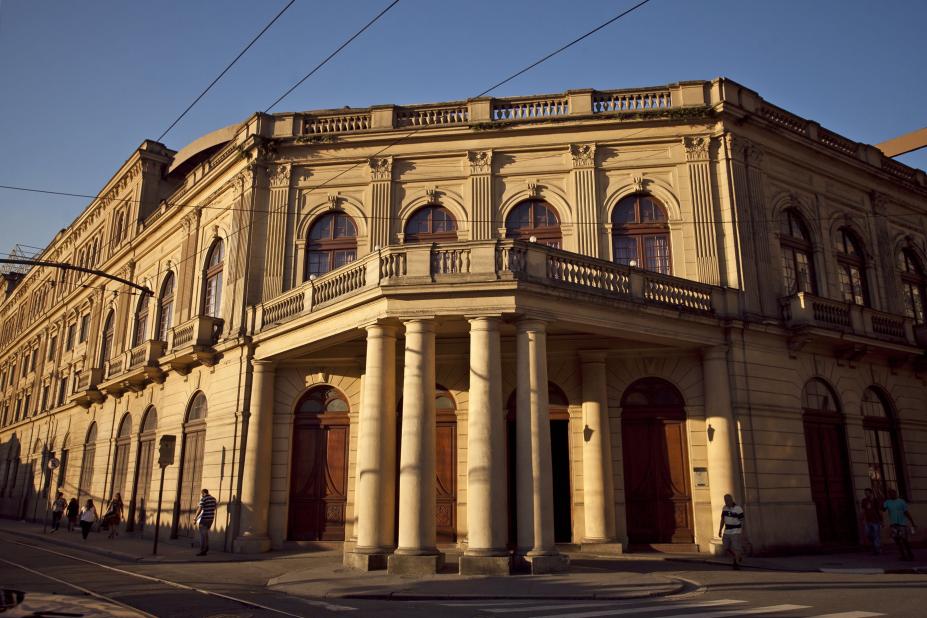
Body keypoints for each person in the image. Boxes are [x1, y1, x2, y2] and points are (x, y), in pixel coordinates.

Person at [884, 488, 916, 561]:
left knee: (904, 540)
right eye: (890, 494)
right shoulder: (887, 502)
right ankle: (903, 555)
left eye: (893, 493)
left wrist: (912, 522)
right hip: (894, 524)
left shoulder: (901, 501)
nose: (892, 495)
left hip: (902, 524)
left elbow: (906, 512)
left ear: (896, 494)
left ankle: (910, 554)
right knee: (897, 541)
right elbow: (883, 509)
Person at [718, 493, 745, 569]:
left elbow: (742, 520)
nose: (726, 501)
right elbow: (722, 520)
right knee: (726, 547)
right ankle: (737, 556)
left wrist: (741, 531)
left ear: (731, 500)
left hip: (736, 531)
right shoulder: (724, 508)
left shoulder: (738, 508)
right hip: (727, 531)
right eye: (725, 500)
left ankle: (736, 563)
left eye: (727, 500)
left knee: (736, 548)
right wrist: (720, 530)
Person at [193, 488, 218, 556]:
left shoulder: (203, 499)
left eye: (202, 494)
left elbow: (200, 509)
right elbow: (215, 507)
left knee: (202, 535)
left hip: (204, 519)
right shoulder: (214, 499)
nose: (201, 495)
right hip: (211, 518)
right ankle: (206, 546)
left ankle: (203, 549)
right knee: (205, 533)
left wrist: (195, 518)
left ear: (203, 493)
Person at [860, 488, 884, 555]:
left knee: (876, 535)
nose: (866, 494)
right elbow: (863, 510)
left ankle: (877, 549)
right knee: (868, 534)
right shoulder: (864, 500)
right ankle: (875, 546)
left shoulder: (876, 500)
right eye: (865, 493)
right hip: (867, 520)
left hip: (876, 520)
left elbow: (879, 511)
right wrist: (862, 518)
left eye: (867, 493)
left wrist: (881, 520)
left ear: (871, 493)